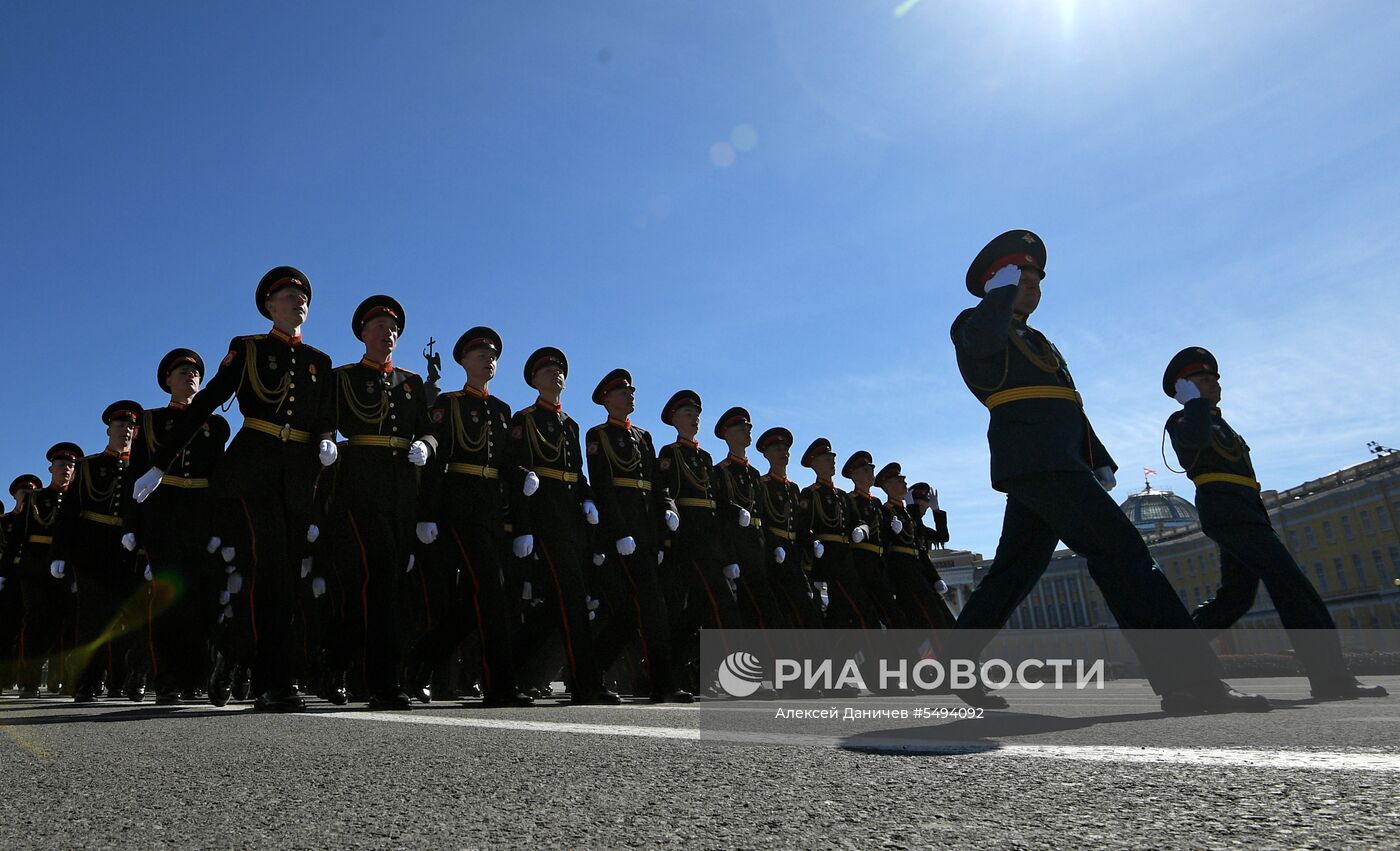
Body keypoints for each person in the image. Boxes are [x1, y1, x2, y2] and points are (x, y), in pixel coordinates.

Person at [950, 229, 1267, 713]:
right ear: (998, 281)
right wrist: (997, 296)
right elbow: (981, 352)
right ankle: (1190, 682)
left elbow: (1068, 404)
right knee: (1122, 552)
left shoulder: (1038, 340)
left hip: (1055, 462)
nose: (1032, 285)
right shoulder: (975, 323)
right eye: (1022, 276)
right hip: (1039, 461)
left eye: (1036, 279)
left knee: (1015, 572)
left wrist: (1097, 458)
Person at [133, 266, 337, 713]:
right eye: (286, 296)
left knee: (284, 572)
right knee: (270, 568)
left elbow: (325, 413)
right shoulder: (246, 349)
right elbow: (204, 403)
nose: (297, 303)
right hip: (255, 469)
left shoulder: (320, 362)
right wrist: (160, 464)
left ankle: (247, 665)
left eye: (302, 298)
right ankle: (272, 680)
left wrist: (325, 437)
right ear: (269, 305)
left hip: (298, 475)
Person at [1164, 346, 1386, 700]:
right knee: (1292, 585)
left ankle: (1173, 654)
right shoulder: (1184, 421)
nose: (1214, 384)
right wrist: (1193, 405)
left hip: (1247, 510)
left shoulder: (1220, 423)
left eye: (1215, 379)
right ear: (1185, 387)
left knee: (1235, 599)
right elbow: (1195, 442)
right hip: (1226, 511)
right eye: (1203, 379)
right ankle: (1331, 677)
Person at [411, 326, 534, 707]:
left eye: (493, 354)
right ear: (463, 361)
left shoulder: (501, 411)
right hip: (459, 505)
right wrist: (427, 513)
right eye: (481, 354)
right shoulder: (449, 403)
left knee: (473, 602)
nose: (489, 359)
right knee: (491, 590)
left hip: (491, 509)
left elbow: (506, 462)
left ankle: (419, 663)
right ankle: (500, 684)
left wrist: (521, 478)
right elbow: (437, 454)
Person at [320, 295, 430, 709]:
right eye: (380, 327)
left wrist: (427, 446)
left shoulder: (411, 383)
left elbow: (426, 429)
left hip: (401, 492)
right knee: (380, 579)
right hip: (359, 489)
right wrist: (328, 438)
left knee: (378, 588)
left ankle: (338, 662)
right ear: (363, 333)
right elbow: (325, 417)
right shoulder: (344, 377)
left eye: (394, 329)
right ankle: (383, 684)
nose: (389, 334)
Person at [508, 347, 619, 705]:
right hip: (544, 517)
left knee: (556, 607)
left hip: (571, 519)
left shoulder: (571, 424)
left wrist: (587, 499)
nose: (556, 374)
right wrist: (524, 525)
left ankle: (508, 671)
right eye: (547, 371)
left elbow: (577, 473)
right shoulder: (524, 420)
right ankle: (587, 682)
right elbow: (513, 469)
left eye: (560, 370)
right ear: (534, 380)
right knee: (570, 599)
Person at [584, 369, 691, 702]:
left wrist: (665, 518)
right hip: (622, 536)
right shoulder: (598, 435)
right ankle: (661, 683)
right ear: (606, 399)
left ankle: (591, 670)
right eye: (622, 392)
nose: (630, 395)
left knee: (633, 613)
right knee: (648, 608)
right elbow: (603, 486)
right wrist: (619, 532)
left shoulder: (644, 437)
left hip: (645, 535)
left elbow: (657, 487)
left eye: (631, 391)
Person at [52, 401, 144, 702]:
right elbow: (70, 513)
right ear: (108, 429)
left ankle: (123, 678)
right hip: (91, 549)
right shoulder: (88, 466)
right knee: (92, 619)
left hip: (127, 550)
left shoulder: (141, 465)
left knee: (128, 617)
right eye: (120, 426)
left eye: (131, 426)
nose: (126, 431)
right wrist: (60, 553)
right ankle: (87, 682)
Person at [657, 391, 744, 694]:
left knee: (693, 615)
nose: (694, 418)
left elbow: (719, 503)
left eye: (696, 413)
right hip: (689, 541)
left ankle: (670, 673)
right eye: (687, 413)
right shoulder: (670, 453)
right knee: (722, 607)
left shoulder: (706, 458)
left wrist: (734, 521)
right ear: (674, 419)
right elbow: (665, 492)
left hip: (711, 543)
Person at [713, 407, 788, 631]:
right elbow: (722, 517)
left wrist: (773, 545)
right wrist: (729, 556)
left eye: (748, 427)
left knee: (755, 611)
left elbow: (763, 515)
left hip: (759, 545)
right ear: (727, 434)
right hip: (739, 545)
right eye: (741, 427)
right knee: (761, 609)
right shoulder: (721, 471)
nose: (747, 430)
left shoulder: (755, 474)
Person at [798, 439, 881, 631]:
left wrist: (862, 530)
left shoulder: (843, 496)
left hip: (846, 557)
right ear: (814, 463)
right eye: (827, 459)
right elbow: (803, 527)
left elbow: (859, 521)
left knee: (849, 609)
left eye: (832, 458)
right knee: (850, 606)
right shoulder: (810, 493)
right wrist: (813, 550)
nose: (832, 461)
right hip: (827, 558)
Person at [755, 427, 824, 630]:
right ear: (767, 454)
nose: (783, 452)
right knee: (783, 608)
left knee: (804, 608)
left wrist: (812, 543)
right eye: (777, 449)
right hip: (773, 553)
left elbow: (800, 525)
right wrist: (774, 545)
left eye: (785, 449)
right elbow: (763, 519)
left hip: (793, 553)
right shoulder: (763, 484)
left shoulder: (793, 489)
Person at [875, 463, 957, 631]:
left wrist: (936, 511)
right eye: (899, 480)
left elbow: (931, 537)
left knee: (942, 618)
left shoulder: (907, 514)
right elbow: (884, 544)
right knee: (927, 617)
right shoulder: (886, 511)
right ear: (889, 486)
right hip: (904, 571)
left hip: (919, 570)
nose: (904, 482)